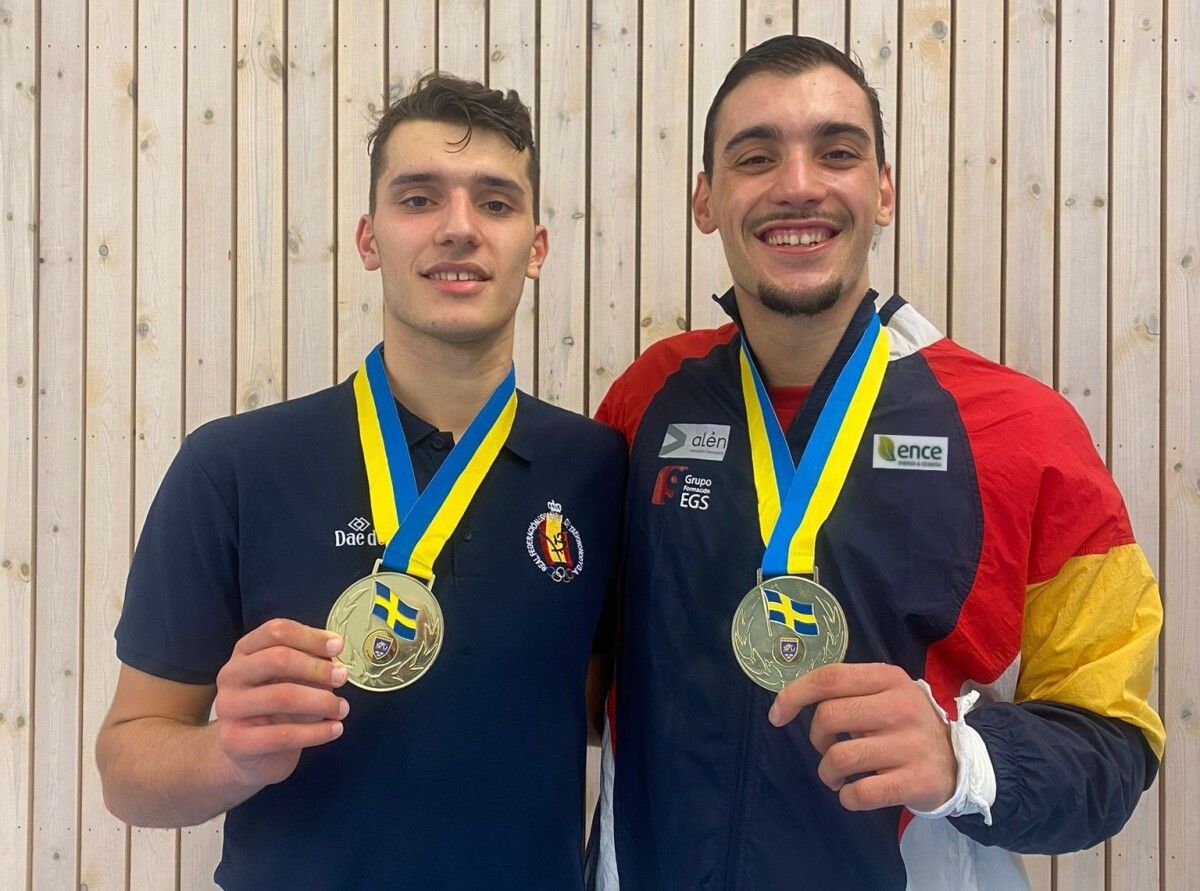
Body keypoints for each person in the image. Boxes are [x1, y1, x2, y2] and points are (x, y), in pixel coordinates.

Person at [588, 35, 1164, 890]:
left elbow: (1117, 743)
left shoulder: (1025, 433)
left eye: (838, 152)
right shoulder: (647, 399)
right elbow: (576, 664)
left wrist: (962, 756)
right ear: (705, 199)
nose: (797, 184)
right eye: (755, 156)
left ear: (884, 189)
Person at [96, 73, 624, 890]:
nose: (458, 228)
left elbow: (597, 707)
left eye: (494, 201)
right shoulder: (233, 466)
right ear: (370, 237)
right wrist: (225, 752)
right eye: (419, 199)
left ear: (537, 245)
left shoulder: (596, 470)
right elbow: (128, 767)